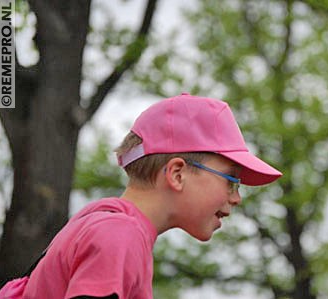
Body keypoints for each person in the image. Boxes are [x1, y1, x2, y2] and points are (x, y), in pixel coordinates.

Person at [22, 93, 282, 299]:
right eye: (231, 181)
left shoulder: (100, 223)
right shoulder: (118, 235)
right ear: (177, 174)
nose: (237, 198)